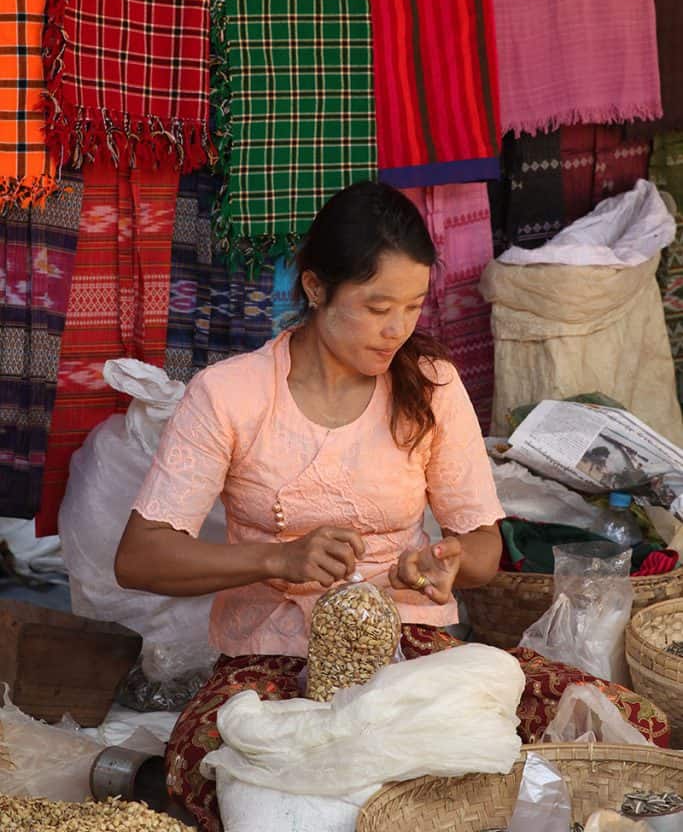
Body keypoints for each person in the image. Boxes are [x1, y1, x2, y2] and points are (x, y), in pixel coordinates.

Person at [113, 181, 669, 829]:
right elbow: (140, 557)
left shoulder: (429, 384)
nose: (396, 330)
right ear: (316, 288)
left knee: (626, 722)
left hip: (409, 648)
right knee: (208, 765)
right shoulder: (230, 395)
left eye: (411, 307)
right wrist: (275, 558)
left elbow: (484, 550)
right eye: (377, 306)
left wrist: (444, 564)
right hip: (274, 659)